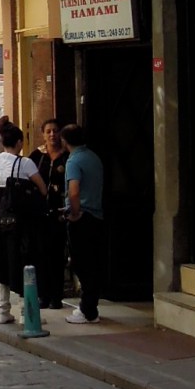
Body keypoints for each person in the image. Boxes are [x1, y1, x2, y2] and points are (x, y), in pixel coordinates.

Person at [0, 122, 46, 324]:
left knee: (0, 263)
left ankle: (2, 310)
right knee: (24, 262)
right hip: (22, 222)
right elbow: (43, 189)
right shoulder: (26, 163)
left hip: (0, 218)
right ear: (20, 142)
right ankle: (25, 312)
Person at [62, 123, 105, 323]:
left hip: (83, 216)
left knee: (82, 264)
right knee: (93, 263)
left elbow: (74, 190)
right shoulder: (93, 157)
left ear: (65, 141)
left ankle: (88, 310)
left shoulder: (74, 161)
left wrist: (75, 212)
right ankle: (89, 306)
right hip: (97, 215)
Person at [27, 118, 69, 311]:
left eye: (55, 131)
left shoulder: (67, 157)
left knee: (57, 256)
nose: (52, 135)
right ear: (43, 134)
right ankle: (43, 295)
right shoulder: (37, 156)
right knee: (40, 255)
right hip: (39, 214)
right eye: (49, 131)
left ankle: (56, 297)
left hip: (60, 214)